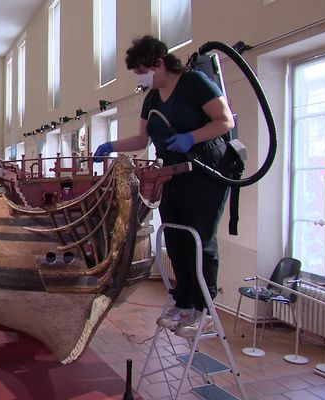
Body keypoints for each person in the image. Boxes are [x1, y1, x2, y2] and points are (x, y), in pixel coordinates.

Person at [93, 36, 235, 338]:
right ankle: (184, 303)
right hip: (172, 174)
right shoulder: (153, 97)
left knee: (200, 239)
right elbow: (142, 141)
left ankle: (204, 309)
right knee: (176, 237)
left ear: (159, 62)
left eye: (143, 71)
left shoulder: (194, 83)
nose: (141, 78)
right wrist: (110, 145)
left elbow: (225, 122)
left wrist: (192, 138)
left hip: (205, 171)